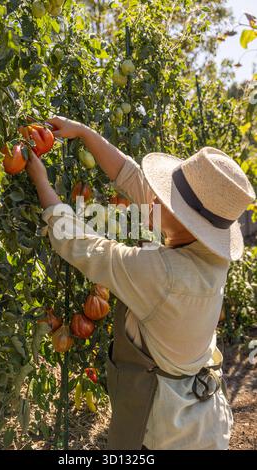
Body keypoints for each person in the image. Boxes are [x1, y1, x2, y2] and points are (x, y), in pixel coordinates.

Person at [26, 116, 256, 450]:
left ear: (187, 221)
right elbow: (134, 179)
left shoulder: (161, 275)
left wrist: (42, 185)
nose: (156, 197)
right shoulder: (210, 253)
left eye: (168, 198)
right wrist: (86, 133)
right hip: (205, 419)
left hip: (168, 430)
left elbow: (83, 247)